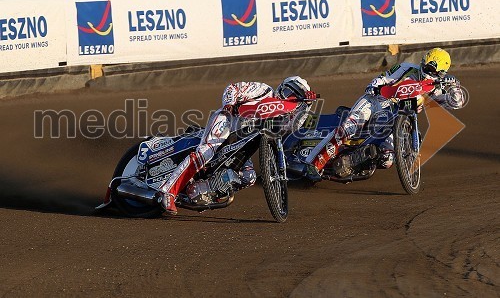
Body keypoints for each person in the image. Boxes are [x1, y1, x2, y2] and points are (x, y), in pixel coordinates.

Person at [161, 76, 316, 215]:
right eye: (288, 92)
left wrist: (307, 105)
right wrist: (229, 104)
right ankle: (168, 192)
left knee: (249, 177)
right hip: (227, 121)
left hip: (242, 143)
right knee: (205, 153)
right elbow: (233, 88)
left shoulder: (283, 115)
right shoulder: (264, 90)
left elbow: (292, 127)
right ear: (281, 87)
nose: (288, 98)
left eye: (294, 98)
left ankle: (202, 192)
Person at [306, 48, 465, 179]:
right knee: (348, 129)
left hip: (394, 116)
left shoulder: (436, 86)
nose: (426, 71)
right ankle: (314, 164)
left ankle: (357, 161)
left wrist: (454, 88)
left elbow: (455, 102)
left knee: (387, 160)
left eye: (431, 70)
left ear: (441, 73)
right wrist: (375, 87)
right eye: (425, 66)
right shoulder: (406, 68)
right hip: (374, 101)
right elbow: (381, 79)